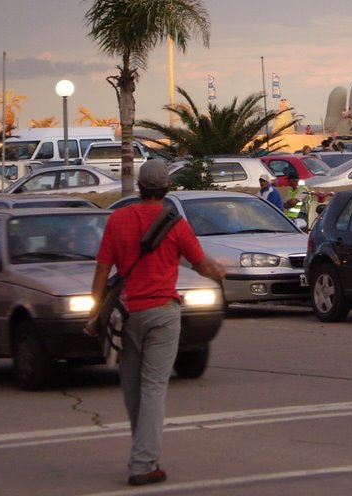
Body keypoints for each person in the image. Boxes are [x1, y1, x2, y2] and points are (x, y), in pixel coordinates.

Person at [87, 160, 224, 487]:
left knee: (132, 386)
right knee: (153, 388)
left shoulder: (118, 220)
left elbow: (102, 270)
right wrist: (218, 272)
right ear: (166, 189)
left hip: (126, 313)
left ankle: (143, 453)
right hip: (162, 312)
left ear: (139, 188)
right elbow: (201, 264)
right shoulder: (174, 224)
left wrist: (95, 312)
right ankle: (143, 463)